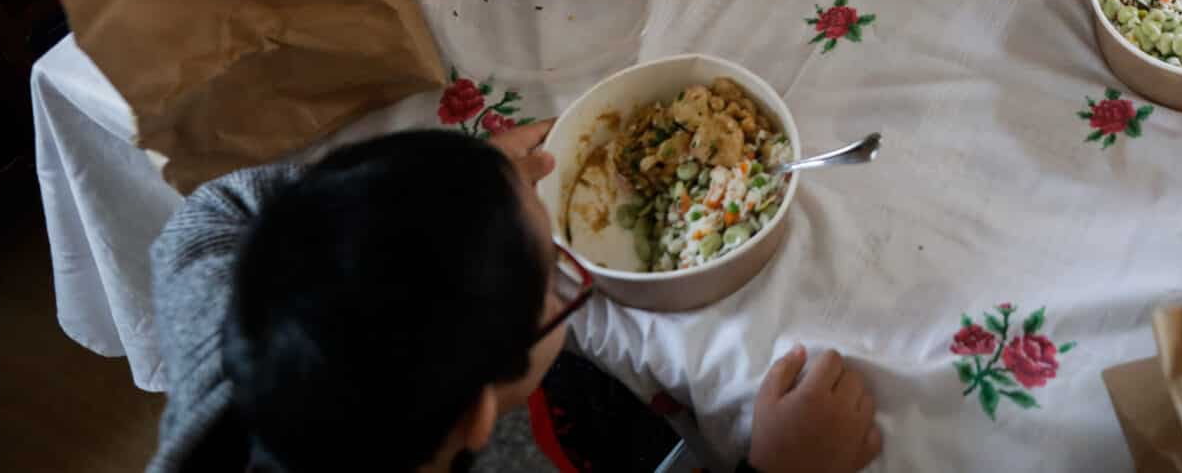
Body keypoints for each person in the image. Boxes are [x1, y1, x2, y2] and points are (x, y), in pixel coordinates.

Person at [146, 122, 880, 473]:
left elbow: (205, 219)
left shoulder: (238, 332)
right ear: (476, 417)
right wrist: (785, 470)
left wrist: (448, 187)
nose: (570, 272)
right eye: (559, 288)